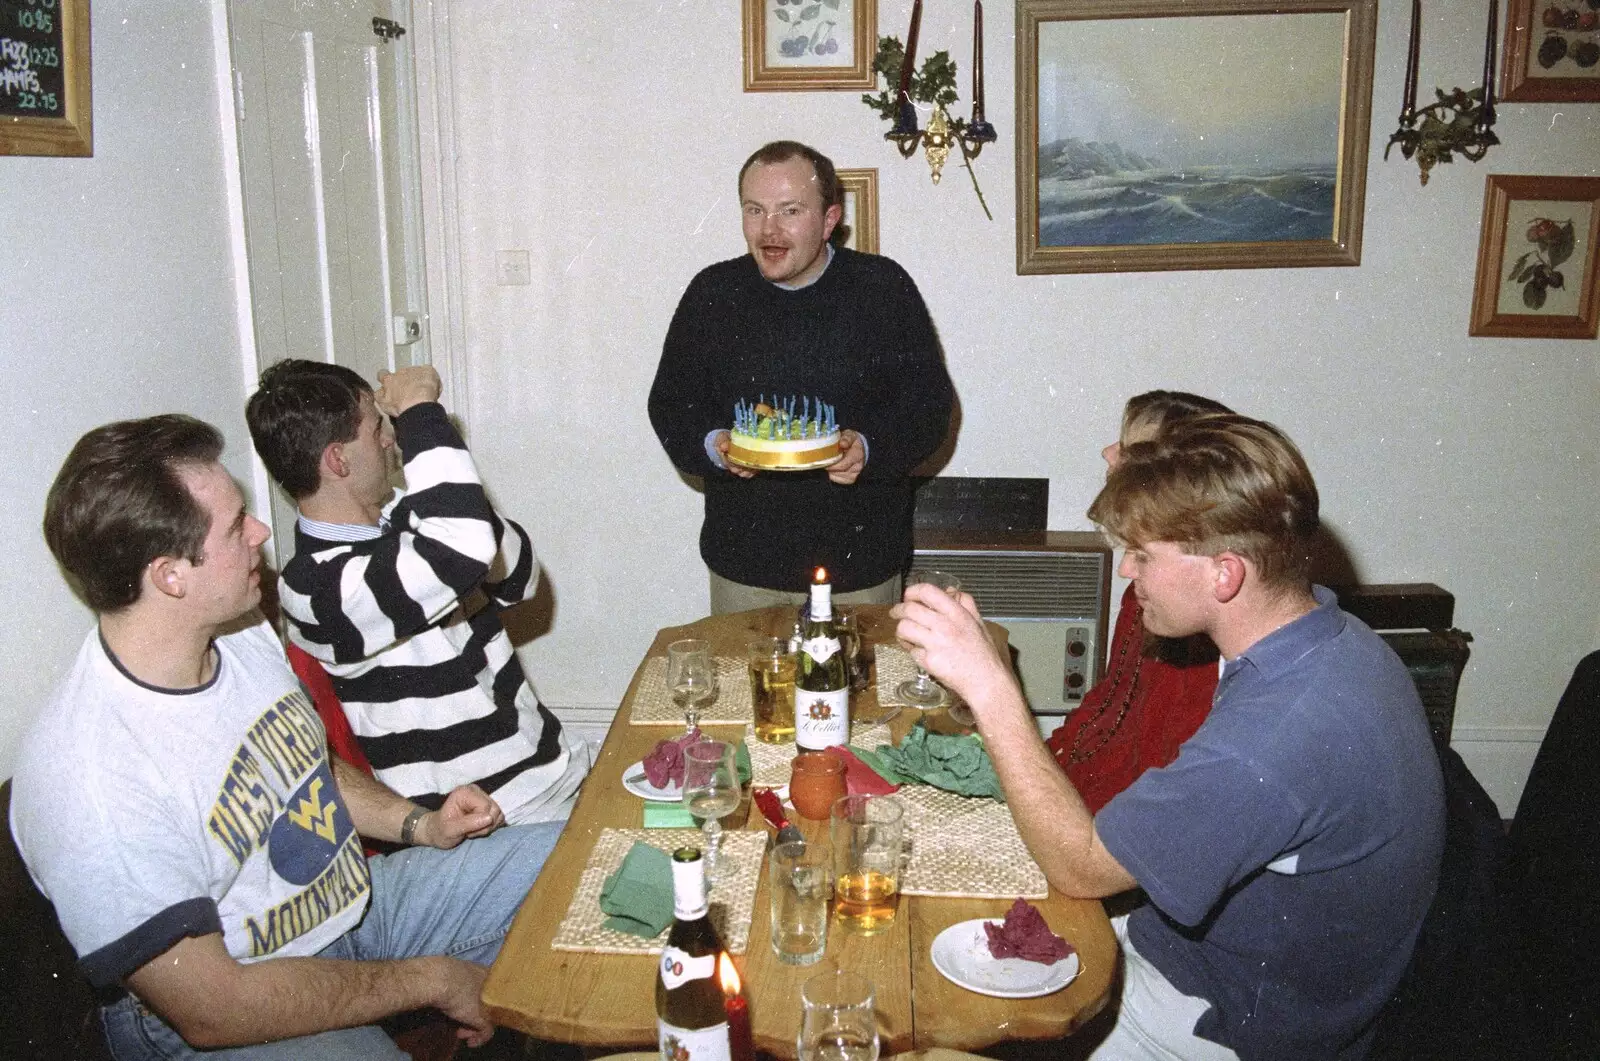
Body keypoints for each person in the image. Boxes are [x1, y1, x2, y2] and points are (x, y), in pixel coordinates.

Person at [12, 414, 563, 1059]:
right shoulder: (91, 779)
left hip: (347, 910)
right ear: (169, 576)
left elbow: (305, 761)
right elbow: (213, 1011)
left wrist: (420, 825)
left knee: (597, 863)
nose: (261, 533)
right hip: (224, 1004)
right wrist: (433, 980)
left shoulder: (238, 629)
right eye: (234, 524)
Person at [896, 414, 1445, 1060]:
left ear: (1225, 574)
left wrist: (992, 689)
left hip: (1227, 1023)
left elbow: (1080, 864)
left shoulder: (1276, 732)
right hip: (1212, 962)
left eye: (1146, 553)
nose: (1128, 568)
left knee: (918, 1030)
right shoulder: (1331, 639)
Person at [246, 361, 587, 825]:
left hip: (552, 767)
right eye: (376, 429)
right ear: (338, 460)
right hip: (496, 816)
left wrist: (434, 487)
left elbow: (520, 578)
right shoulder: (314, 588)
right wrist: (420, 412)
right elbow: (464, 550)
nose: (391, 438)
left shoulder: (412, 520)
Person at [648, 139, 954, 614]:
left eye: (790, 210)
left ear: (830, 220)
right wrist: (714, 445)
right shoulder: (712, 292)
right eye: (755, 210)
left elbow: (928, 409)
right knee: (747, 691)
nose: (768, 230)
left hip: (860, 569)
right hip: (744, 569)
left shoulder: (883, 289)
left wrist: (869, 451)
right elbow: (671, 403)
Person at [1046, 390, 1230, 813]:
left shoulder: (1191, 627)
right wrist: (1050, 757)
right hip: (1087, 779)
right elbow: (1109, 700)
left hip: (1120, 815)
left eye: (1127, 449)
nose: (1108, 452)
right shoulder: (1143, 588)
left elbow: (1161, 765)